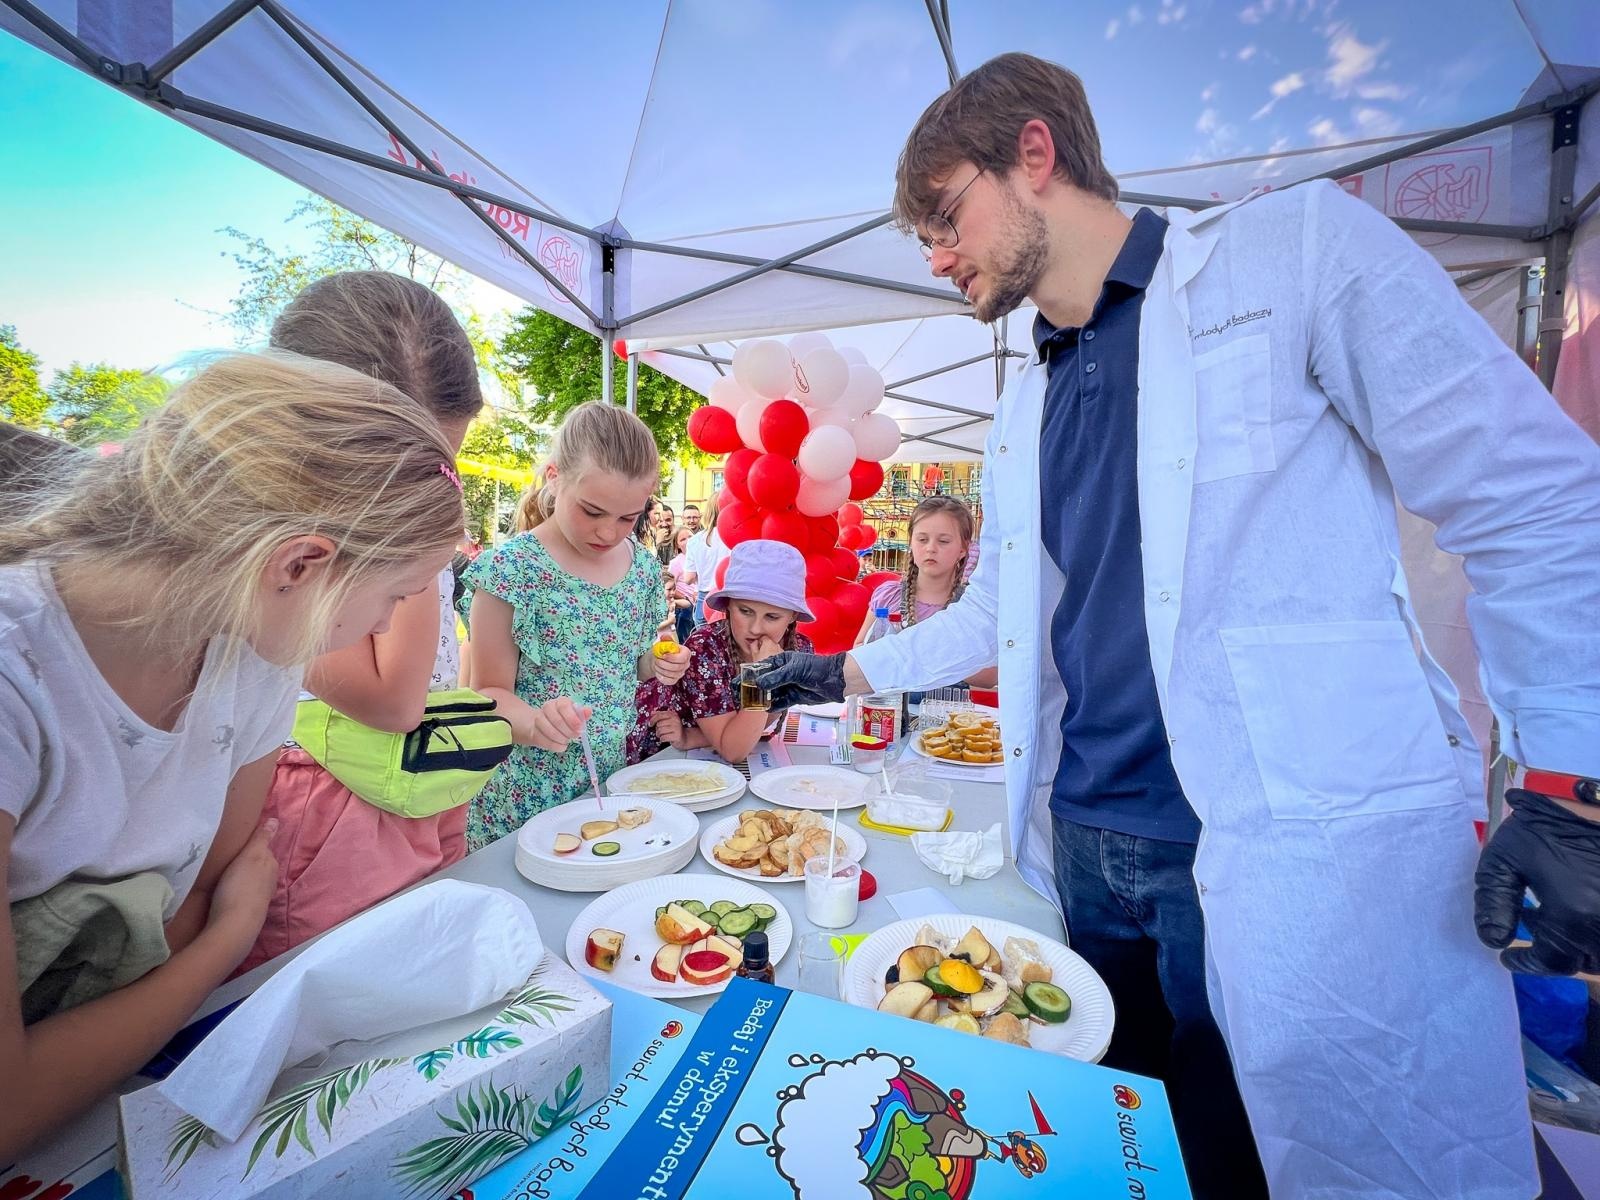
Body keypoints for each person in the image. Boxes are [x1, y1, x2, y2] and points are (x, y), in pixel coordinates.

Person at [758, 51, 1600, 1200]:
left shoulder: (1289, 255)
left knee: (1283, 1156)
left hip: (1279, 842)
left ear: (1036, 153)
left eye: (944, 217)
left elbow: (1529, 494)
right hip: (1085, 840)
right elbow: (1006, 616)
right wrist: (846, 664)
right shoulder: (1021, 403)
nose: (938, 256)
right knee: (1123, 1154)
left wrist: (1574, 775)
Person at [0, 351, 463, 1157]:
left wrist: (199, 945)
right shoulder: (18, 677)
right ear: (299, 564)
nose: (387, 620)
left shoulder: (254, 657)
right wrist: (224, 943)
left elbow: (198, 893)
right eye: (395, 597)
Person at [236, 271, 487, 975]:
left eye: (443, 467)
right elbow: (397, 700)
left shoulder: (402, 531)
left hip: (409, 780)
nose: (430, 494)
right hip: (330, 797)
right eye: (398, 474)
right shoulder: (273, 561)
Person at [462, 402, 690, 848]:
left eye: (628, 518)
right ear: (554, 480)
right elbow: (486, 693)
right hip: (527, 796)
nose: (609, 532)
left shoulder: (642, 568)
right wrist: (533, 722)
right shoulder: (510, 571)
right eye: (592, 511)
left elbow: (634, 663)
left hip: (611, 785)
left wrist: (662, 662)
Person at [628, 539, 813, 765]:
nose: (755, 628)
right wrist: (761, 675)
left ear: (793, 616)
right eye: (745, 611)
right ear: (727, 605)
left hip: (705, 751)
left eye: (772, 617)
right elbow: (734, 751)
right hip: (660, 758)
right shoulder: (704, 648)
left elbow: (760, 721)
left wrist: (693, 737)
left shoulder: (800, 649)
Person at [854, 495, 995, 689]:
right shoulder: (888, 596)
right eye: (922, 539)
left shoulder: (973, 605)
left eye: (943, 541)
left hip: (949, 714)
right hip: (889, 712)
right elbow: (860, 648)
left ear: (963, 549)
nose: (931, 548)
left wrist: (919, 655)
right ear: (911, 542)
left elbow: (990, 676)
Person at [683, 495, 727, 627]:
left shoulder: (695, 540)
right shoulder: (734, 539)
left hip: (704, 599)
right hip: (726, 598)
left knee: (703, 645)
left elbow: (688, 578)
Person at [666, 525, 698, 645]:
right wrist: (684, 598)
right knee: (684, 638)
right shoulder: (676, 562)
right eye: (683, 539)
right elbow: (669, 585)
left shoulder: (699, 557)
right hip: (686, 606)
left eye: (690, 536)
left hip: (698, 603)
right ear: (677, 545)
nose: (688, 541)